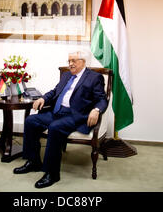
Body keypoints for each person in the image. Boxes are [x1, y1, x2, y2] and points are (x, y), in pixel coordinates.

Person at [13, 50, 107, 188]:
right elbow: (55, 91)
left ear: (83, 62)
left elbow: (102, 99)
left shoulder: (94, 77)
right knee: (30, 121)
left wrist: (96, 110)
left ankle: (52, 173)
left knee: (55, 127)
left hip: (75, 115)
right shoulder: (66, 75)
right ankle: (33, 162)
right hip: (57, 111)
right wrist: (43, 98)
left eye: (73, 61)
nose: (70, 64)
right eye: (69, 61)